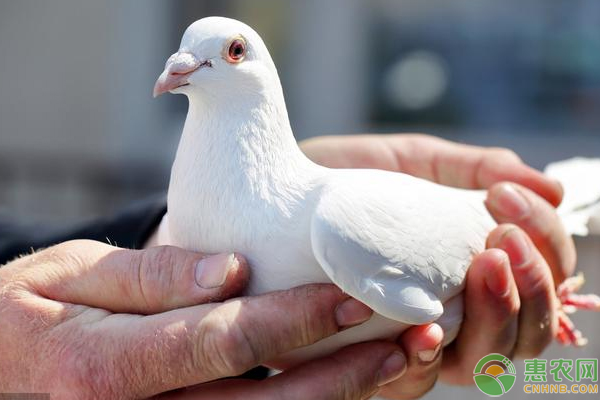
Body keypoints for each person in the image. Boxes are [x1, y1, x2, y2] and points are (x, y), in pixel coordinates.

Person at [0, 134, 575, 400]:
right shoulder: (193, 208)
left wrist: (153, 249)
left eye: (227, 54)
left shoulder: (338, 217)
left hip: (467, 225)